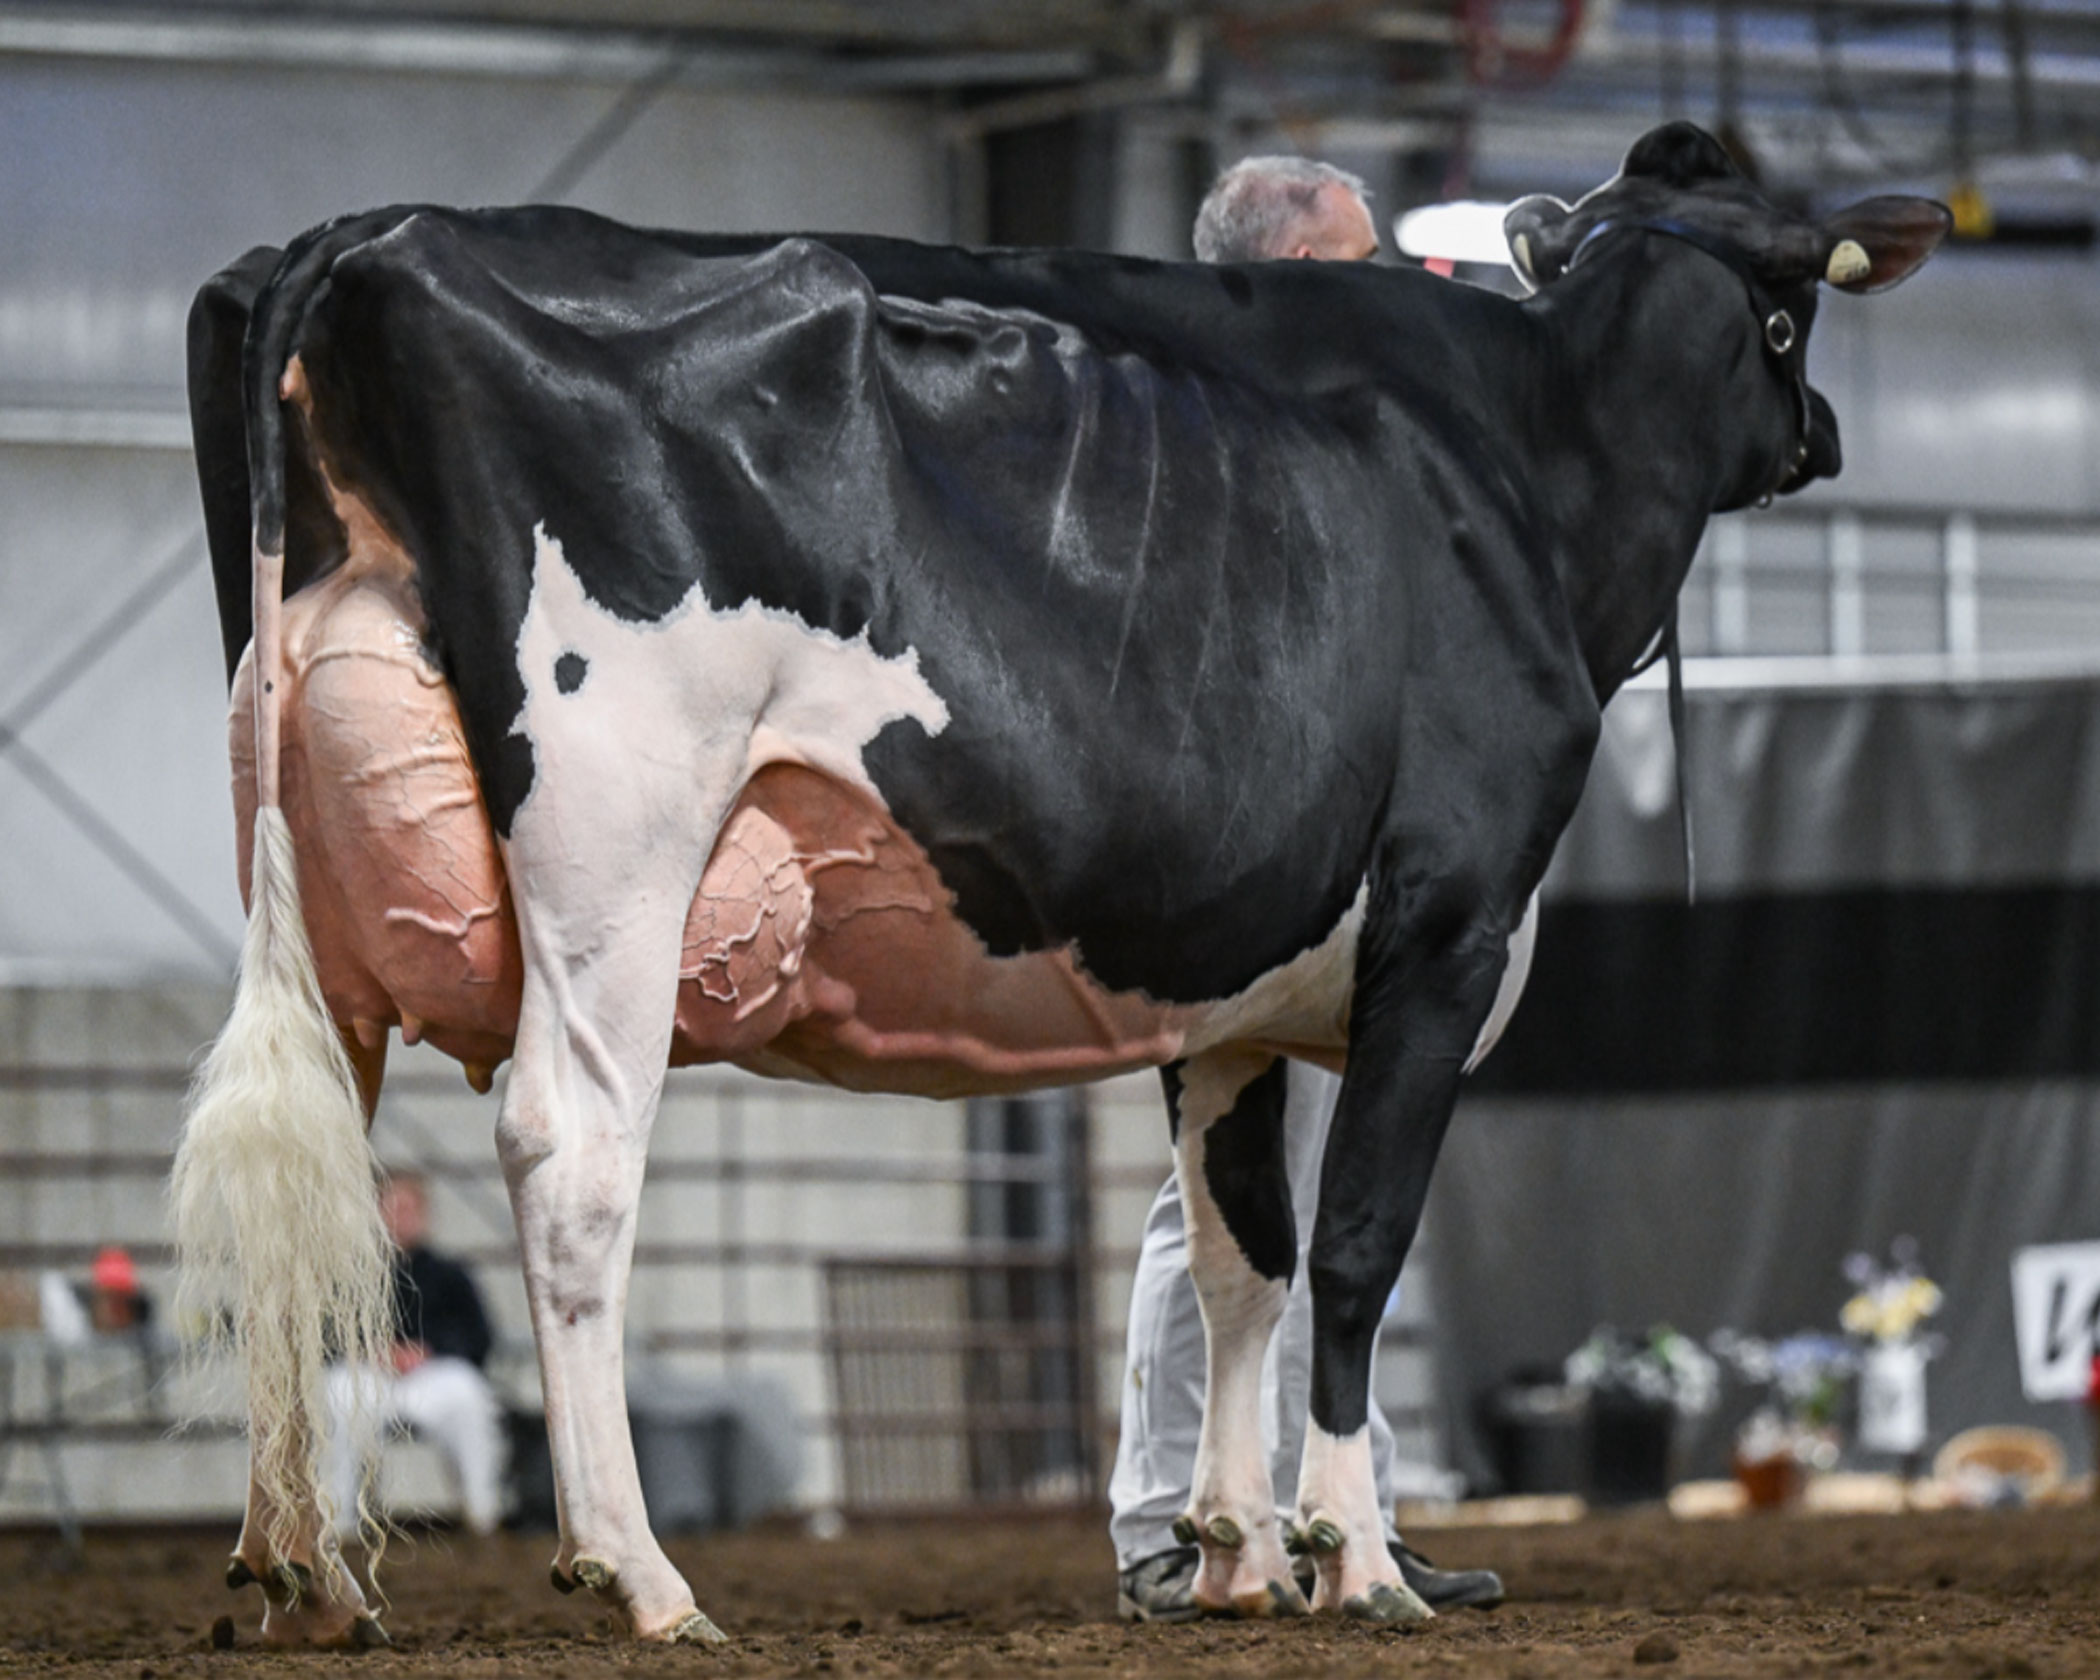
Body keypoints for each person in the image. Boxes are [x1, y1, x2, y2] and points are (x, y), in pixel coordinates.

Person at [1112, 156, 1505, 1623]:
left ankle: (1353, 1521)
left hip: (1340, 854)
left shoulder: (1339, 420)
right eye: (1357, 255)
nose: (1387, 279)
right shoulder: (1200, 418)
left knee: (1346, 1188)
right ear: (1279, 267)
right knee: (1213, 1198)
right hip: (1228, 858)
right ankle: (1166, 1518)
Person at [326, 1169, 507, 1538]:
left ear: (425, 1214)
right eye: (392, 1207)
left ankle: (482, 1512)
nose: (401, 1217)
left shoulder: (451, 1274)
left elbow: (479, 1336)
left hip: (433, 1377)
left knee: (469, 1394)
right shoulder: (351, 1274)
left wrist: (430, 1351)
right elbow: (327, 1338)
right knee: (337, 1394)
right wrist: (373, 1350)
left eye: (409, 1208)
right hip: (369, 1378)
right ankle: (338, 1518)